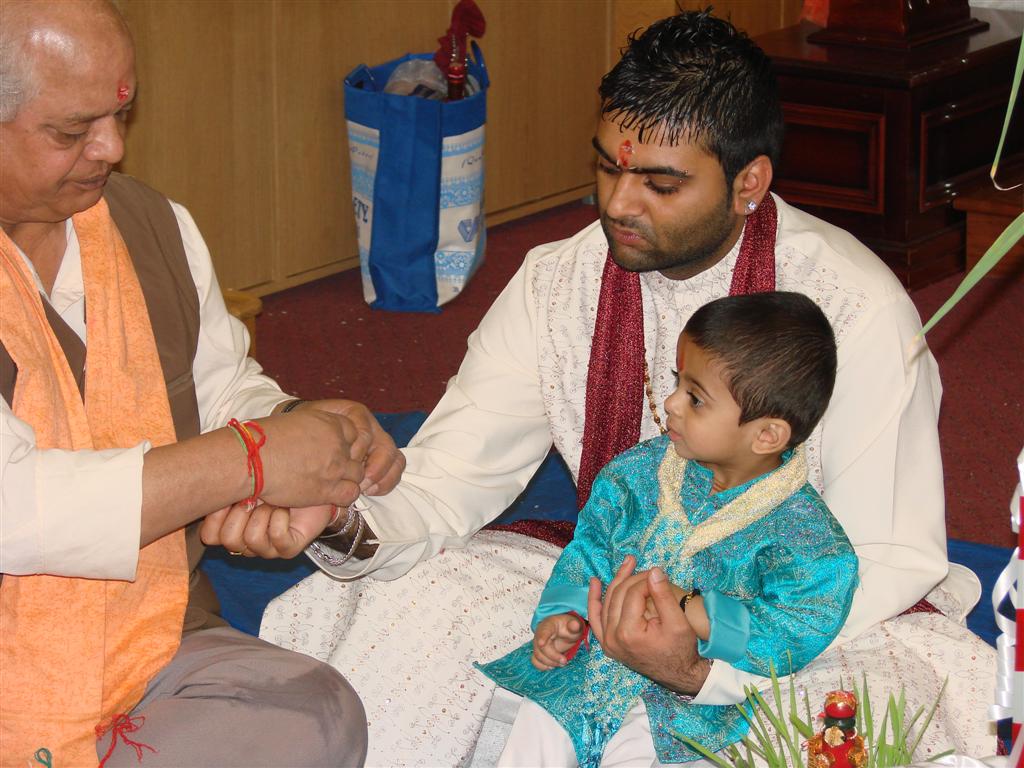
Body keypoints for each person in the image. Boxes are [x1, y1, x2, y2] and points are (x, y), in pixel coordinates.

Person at [260, 9, 990, 764]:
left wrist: (705, 660)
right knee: (403, 609)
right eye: (608, 165)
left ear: (750, 183)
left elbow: (887, 554)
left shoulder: (851, 305)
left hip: (792, 621)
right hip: (601, 584)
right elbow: (451, 476)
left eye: (660, 183)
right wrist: (343, 521)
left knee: (856, 723)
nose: (617, 203)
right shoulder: (559, 282)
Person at [0, 1, 404, 765]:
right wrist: (251, 459)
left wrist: (304, 433)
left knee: (318, 714)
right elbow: (14, 509)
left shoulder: (151, 225)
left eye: (121, 113)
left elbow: (219, 387)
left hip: (152, 630)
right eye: (71, 130)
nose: (112, 148)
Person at [477, 292, 859, 766]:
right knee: (537, 724)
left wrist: (694, 611)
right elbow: (592, 548)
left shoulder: (809, 541)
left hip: (681, 708)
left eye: (696, 399)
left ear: (766, 436)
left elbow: (797, 627)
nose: (671, 403)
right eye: (678, 383)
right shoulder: (639, 473)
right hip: (591, 664)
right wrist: (567, 614)